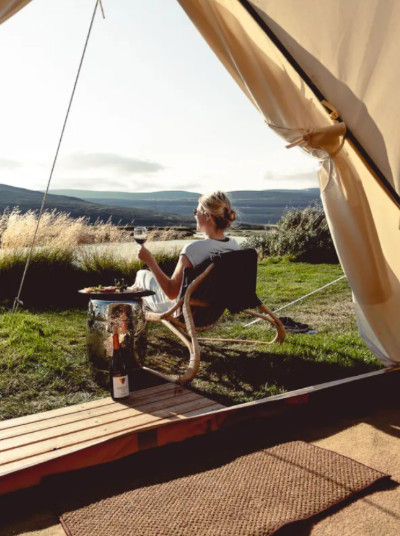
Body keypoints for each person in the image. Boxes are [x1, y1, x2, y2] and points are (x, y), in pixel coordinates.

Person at [133, 191, 239, 313]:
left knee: (141, 275)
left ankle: (128, 322)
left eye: (196, 212)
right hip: (212, 310)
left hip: (181, 308)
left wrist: (150, 260)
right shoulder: (234, 246)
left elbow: (171, 292)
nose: (195, 216)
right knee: (139, 283)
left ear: (208, 216)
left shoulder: (193, 249)